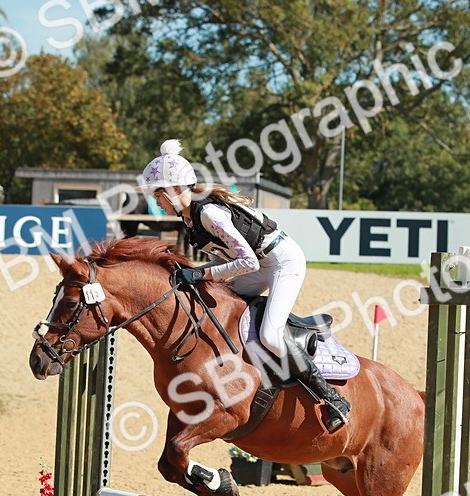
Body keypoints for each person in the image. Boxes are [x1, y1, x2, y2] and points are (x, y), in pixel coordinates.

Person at [139, 139, 350, 431]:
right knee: (215, 303)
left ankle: (332, 398)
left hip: (282, 262)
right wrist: (196, 272)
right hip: (258, 264)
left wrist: (201, 275)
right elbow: (225, 259)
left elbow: (247, 261)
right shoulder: (189, 219)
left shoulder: (208, 214)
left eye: (158, 195)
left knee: (271, 336)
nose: (157, 203)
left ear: (174, 190)